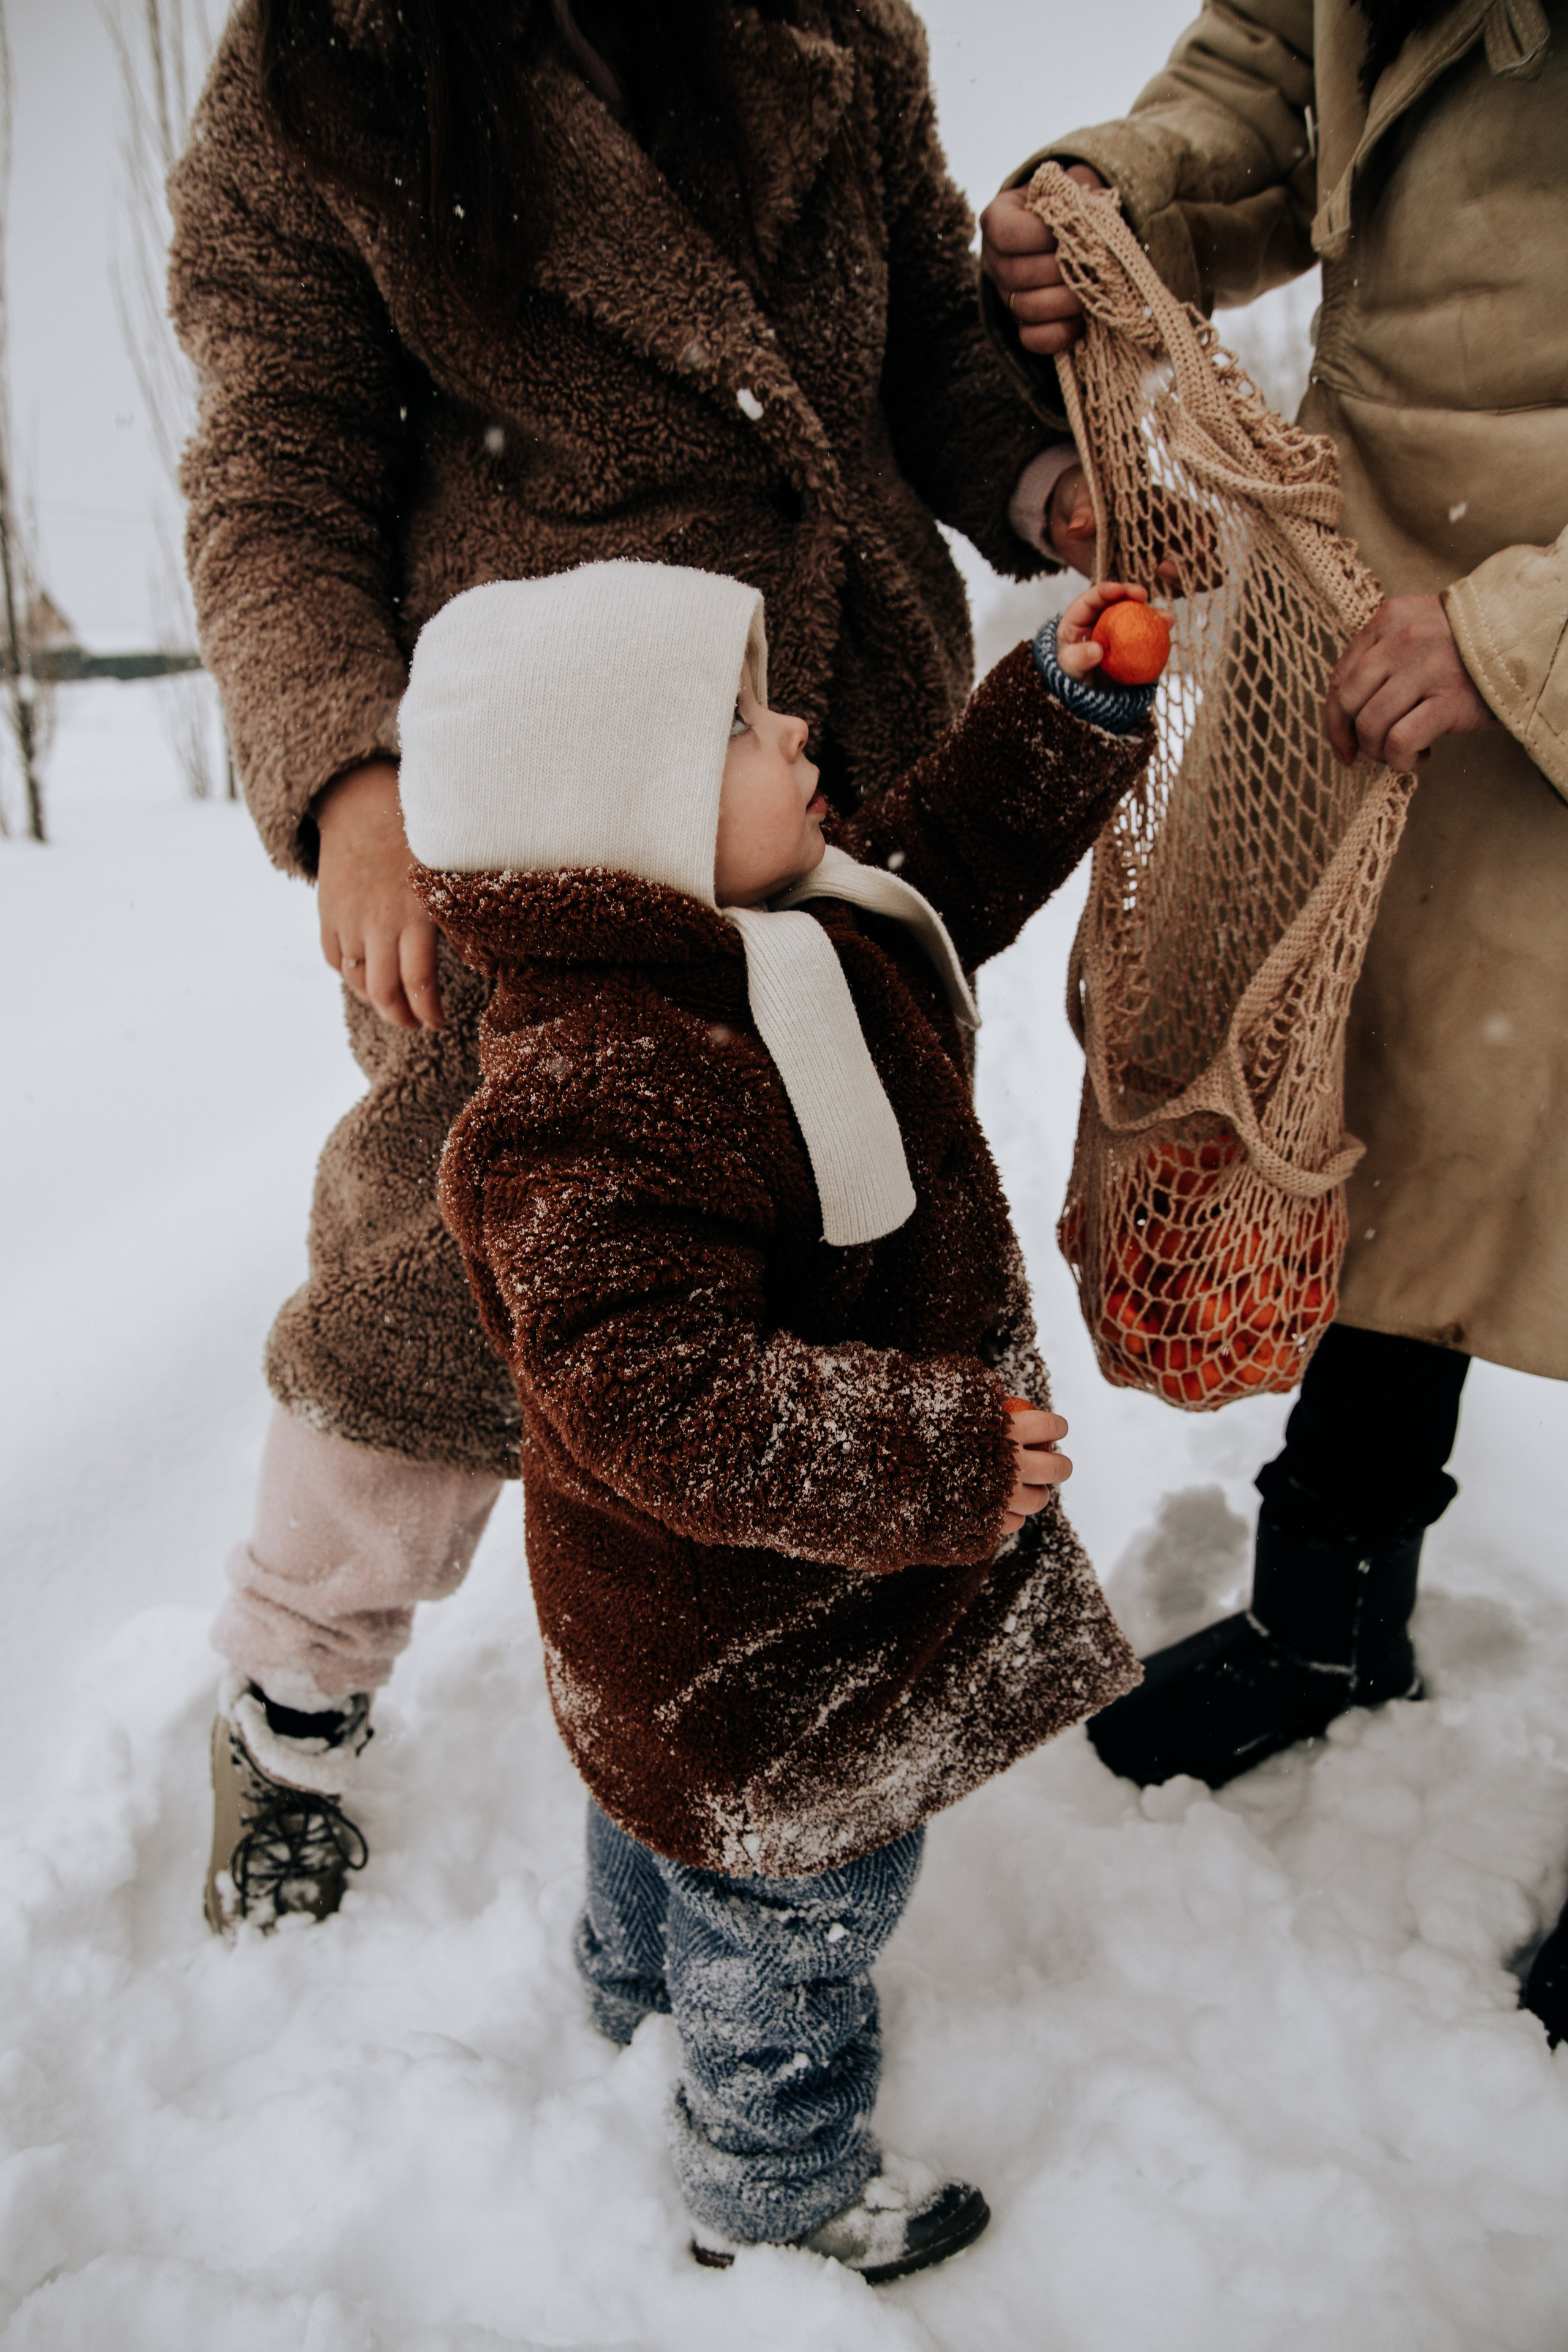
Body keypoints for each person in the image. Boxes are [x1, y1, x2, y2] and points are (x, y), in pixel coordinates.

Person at [169, 0, 1092, 1929]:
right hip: (542, 794)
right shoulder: (315, 74)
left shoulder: (832, 25)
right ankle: (294, 1690)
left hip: (824, 737)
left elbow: (925, 329)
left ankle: (764, 1693)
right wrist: (350, 773)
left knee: (830, 1238)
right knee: (445, 1277)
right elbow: (274, 463)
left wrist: (1035, 483)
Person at [386, 554, 1152, 2276]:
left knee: (663, 1804)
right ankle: (771, 2180)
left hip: (692, 1627)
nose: (792, 723)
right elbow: (662, 1401)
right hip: (750, 1626)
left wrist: (1063, 709)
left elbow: (941, 870)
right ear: (623, 825)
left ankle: (628, 1980)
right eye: (736, 723)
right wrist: (931, 1452)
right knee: (801, 1893)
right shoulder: (606, 1089)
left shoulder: (769, 939)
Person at [977, 0, 1568, 2020]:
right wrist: (1120, 197)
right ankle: (1324, 1619)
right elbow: (1262, 71)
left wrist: (1530, 631)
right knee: (1373, 1115)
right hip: (1370, 565)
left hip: (1541, 609)